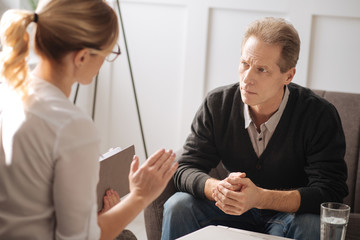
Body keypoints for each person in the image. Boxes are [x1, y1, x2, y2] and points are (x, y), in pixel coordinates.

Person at [0, 0, 178, 239]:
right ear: (82, 57)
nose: (105, 62)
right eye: (108, 53)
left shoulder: (10, 93)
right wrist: (140, 196)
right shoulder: (71, 125)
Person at [161, 17, 348, 240]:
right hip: (228, 212)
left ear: (288, 75)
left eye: (262, 70)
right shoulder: (217, 104)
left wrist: (260, 197)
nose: (247, 79)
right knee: (178, 205)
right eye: (244, 64)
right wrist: (218, 189)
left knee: (311, 224)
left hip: (288, 217)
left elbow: (330, 191)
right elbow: (185, 168)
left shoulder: (319, 115)